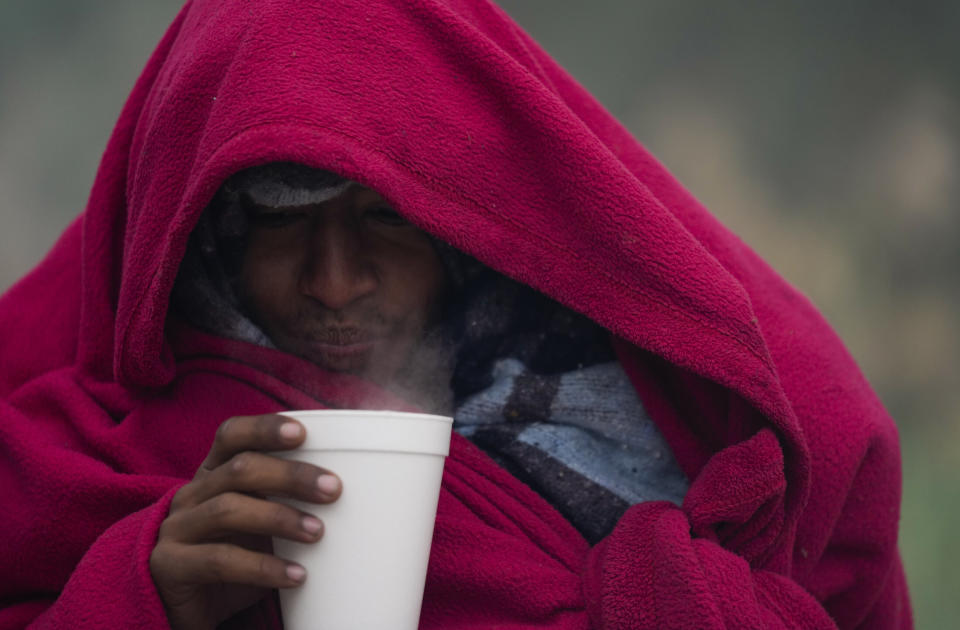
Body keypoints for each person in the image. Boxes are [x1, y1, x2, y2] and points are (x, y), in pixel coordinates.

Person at [0, 0, 911, 628]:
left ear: (461, 230)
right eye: (281, 221)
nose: (334, 282)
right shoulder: (95, 451)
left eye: (383, 218)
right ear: (208, 238)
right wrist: (144, 593)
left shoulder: (631, 420)